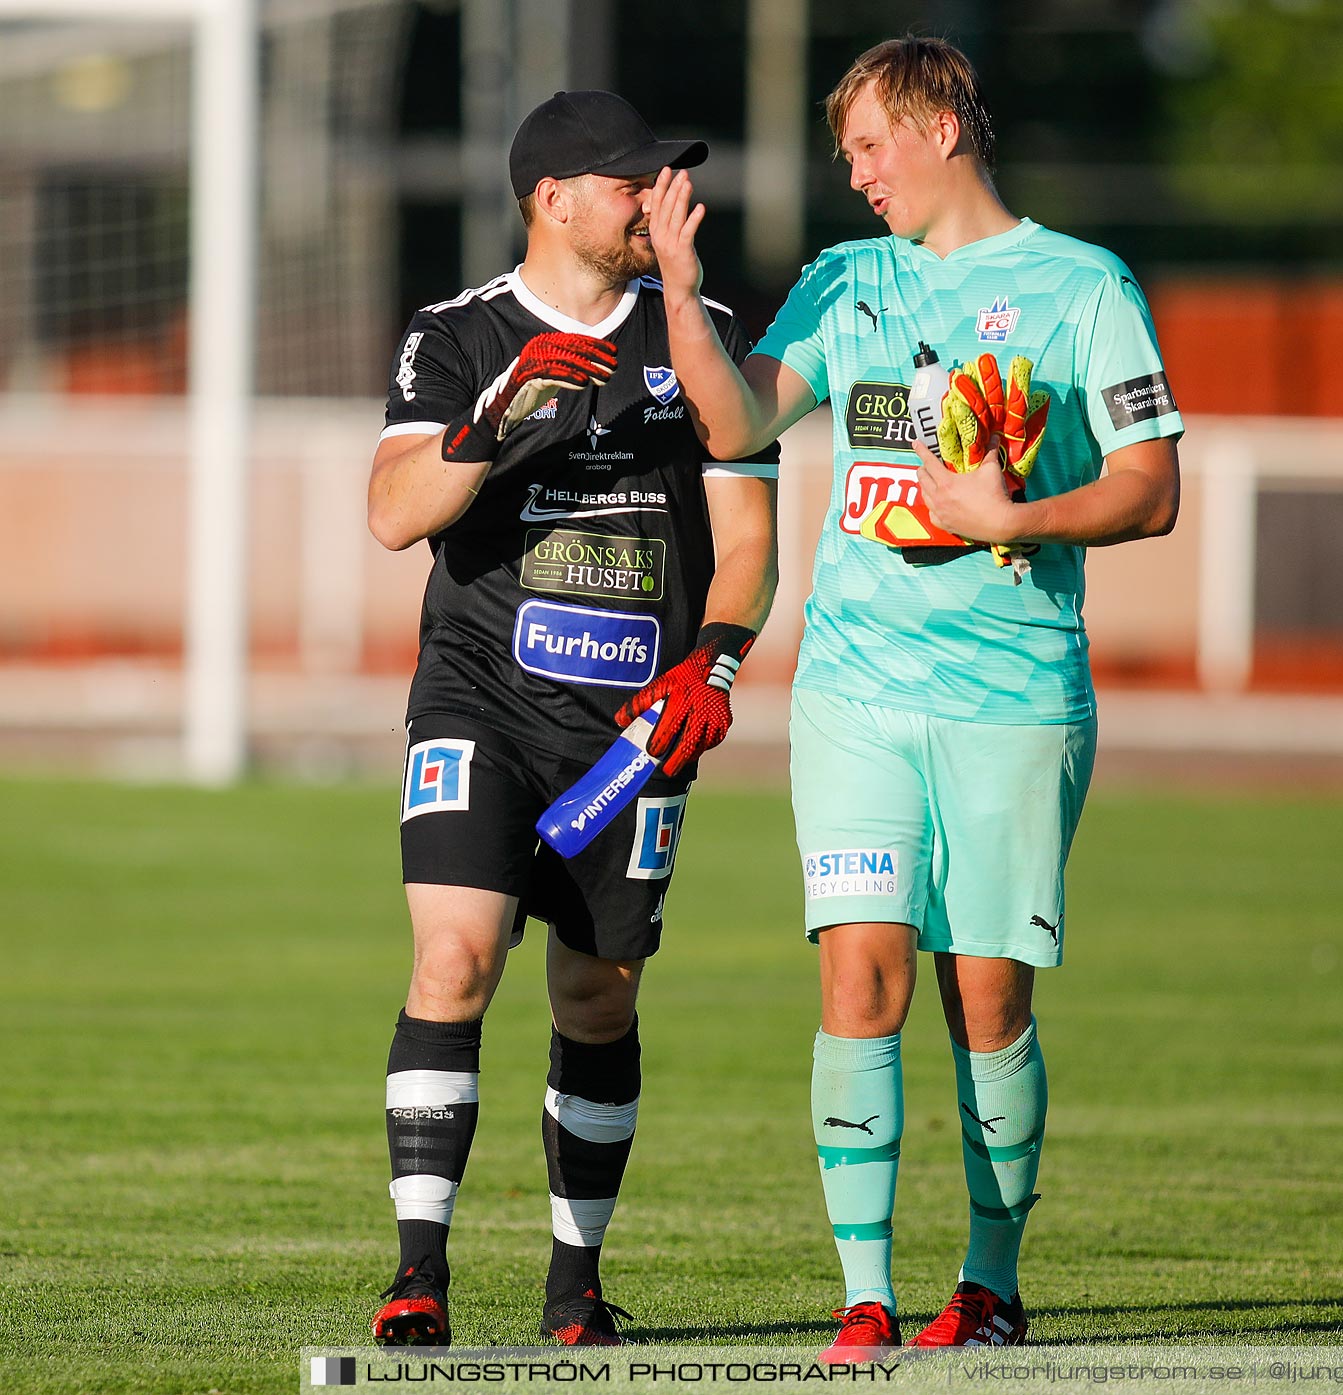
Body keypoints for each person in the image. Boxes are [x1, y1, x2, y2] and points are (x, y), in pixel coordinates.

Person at [645, 37, 1181, 1352]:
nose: (859, 174)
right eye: (846, 156)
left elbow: (1153, 486)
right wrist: (679, 291)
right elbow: (736, 425)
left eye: (873, 145)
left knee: (987, 997)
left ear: (944, 125)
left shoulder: (1086, 286)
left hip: (1013, 698)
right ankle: (865, 1295)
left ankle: (989, 1283)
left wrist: (1021, 509)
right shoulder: (847, 281)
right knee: (860, 971)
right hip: (856, 693)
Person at [366, 90, 777, 1348]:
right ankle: (418, 1273)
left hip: (635, 727)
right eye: (633, 183)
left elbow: (749, 539)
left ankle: (573, 1283)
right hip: (478, 698)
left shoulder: (701, 333)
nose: (660, 200)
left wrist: (713, 661)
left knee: (599, 998)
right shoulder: (457, 334)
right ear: (553, 198)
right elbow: (393, 513)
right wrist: (491, 425)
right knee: (455, 959)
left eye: (668, 181)